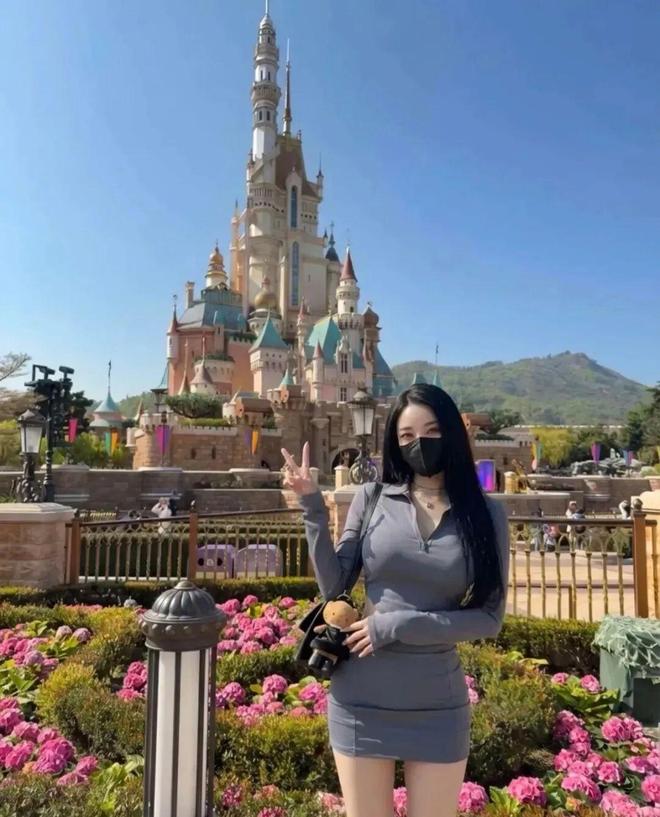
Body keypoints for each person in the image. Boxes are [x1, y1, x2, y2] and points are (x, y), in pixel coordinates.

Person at [282, 384, 510, 817]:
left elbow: (488, 618)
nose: (419, 443)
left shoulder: (485, 514)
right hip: (360, 698)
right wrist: (311, 504)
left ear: (452, 432)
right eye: (406, 436)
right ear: (394, 442)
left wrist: (398, 624)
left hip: (437, 704)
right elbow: (334, 587)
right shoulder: (371, 499)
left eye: (431, 431)